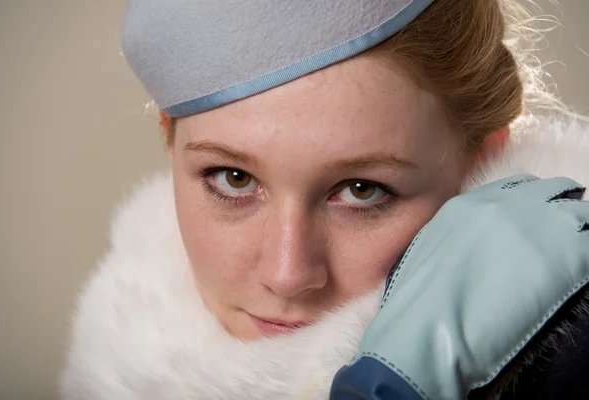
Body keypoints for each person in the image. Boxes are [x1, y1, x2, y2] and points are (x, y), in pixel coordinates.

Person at [60, 0, 589, 398]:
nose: (288, 274)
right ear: (170, 143)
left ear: (485, 166)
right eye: (234, 178)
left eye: (362, 190)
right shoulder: (115, 354)